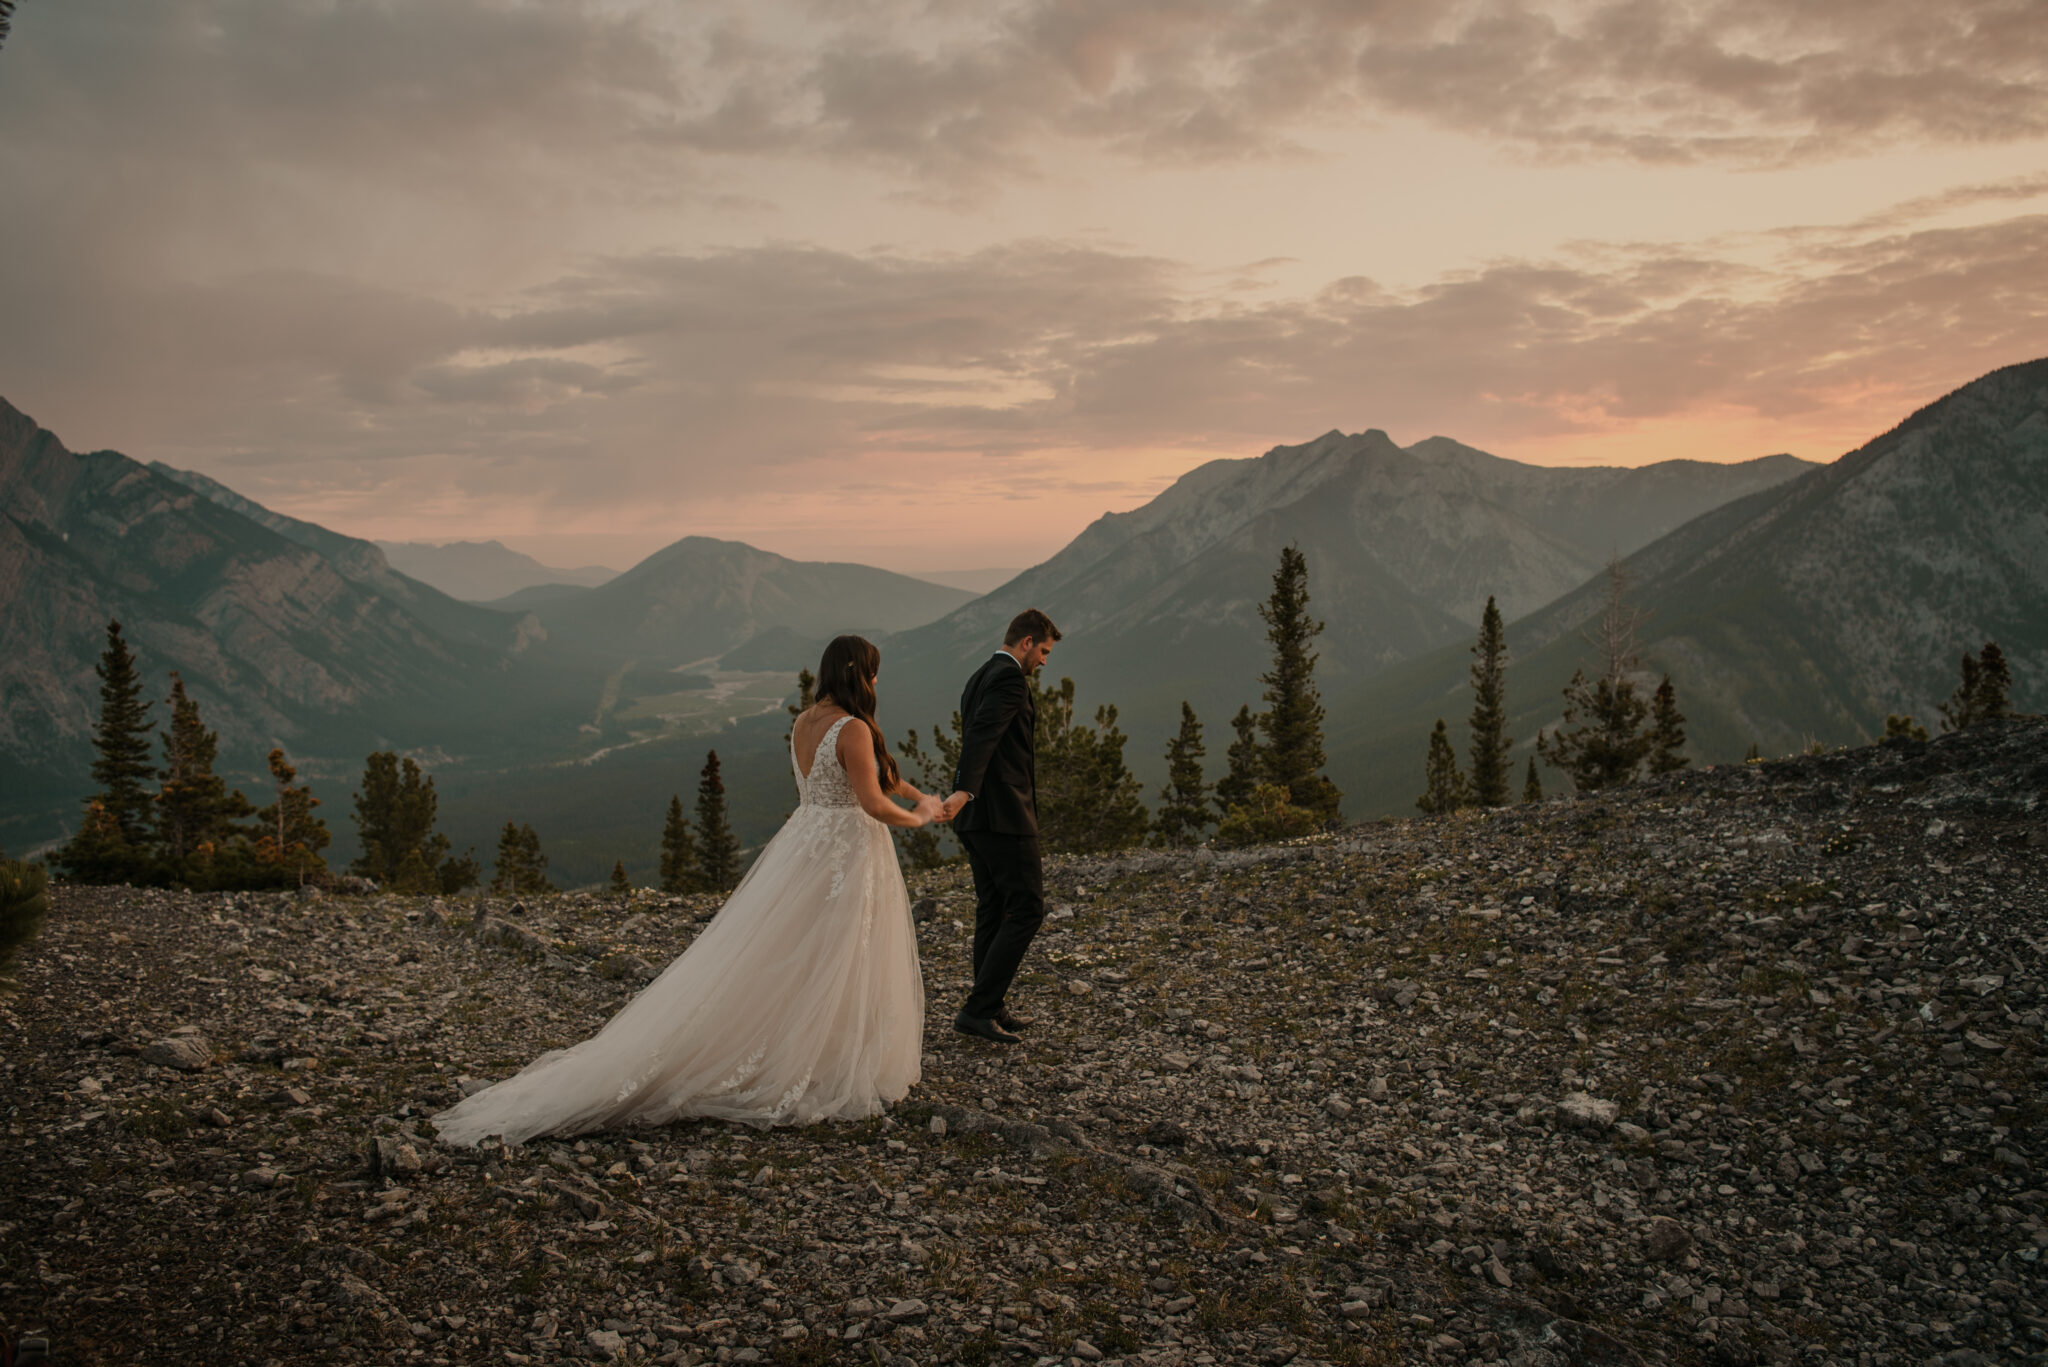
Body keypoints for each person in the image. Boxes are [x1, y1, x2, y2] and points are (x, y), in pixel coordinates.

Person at [432, 635, 944, 1147]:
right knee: (840, 950)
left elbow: (876, 773)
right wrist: (920, 818)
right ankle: (821, 1058)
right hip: (845, 849)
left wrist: (925, 795)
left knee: (798, 951)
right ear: (861, 675)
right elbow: (873, 801)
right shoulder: (853, 728)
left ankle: (813, 1045)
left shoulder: (806, 721)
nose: (878, 681)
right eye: (875, 672)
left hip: (806, 842)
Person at [942, 608, 1060, 1044]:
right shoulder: (1010, 678)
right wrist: (964, 790)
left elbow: (977, 733)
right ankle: (978, 1009)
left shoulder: (980, 674)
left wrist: (966, 796)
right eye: (1044, 651)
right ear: (1026, 642)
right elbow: (982, 735)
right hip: (1003, 816)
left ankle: (988, 1006)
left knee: (993, 909)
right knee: (1027, 908)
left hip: (980, 818)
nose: (1045, 661)